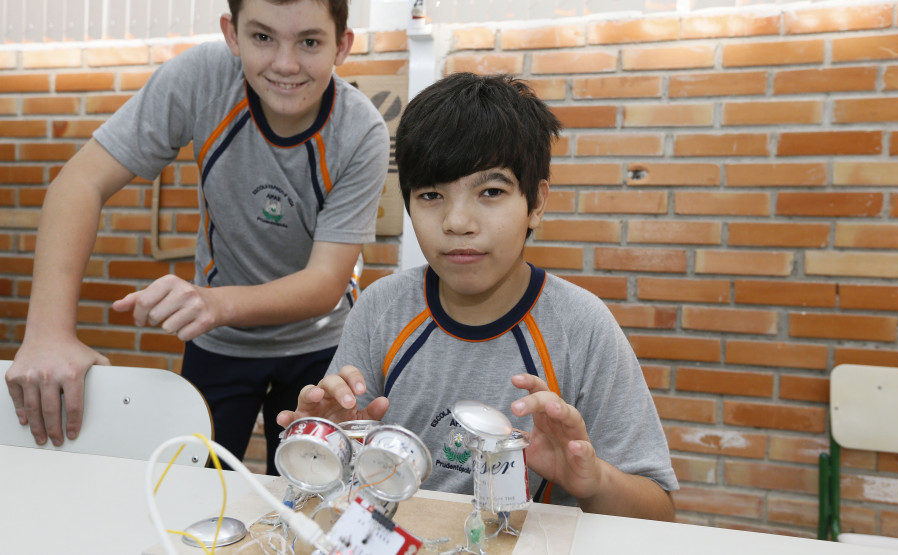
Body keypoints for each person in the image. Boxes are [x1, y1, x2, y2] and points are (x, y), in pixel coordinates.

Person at [5, 0, 389, 475]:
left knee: (307, 492)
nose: (286, 64)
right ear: (232, 34)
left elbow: (325, 282)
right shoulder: (201, 77)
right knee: (190, 486)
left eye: (309, 41)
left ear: (342, 46)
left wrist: (212, 303)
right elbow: (79, 182)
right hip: (220, 342)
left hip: (320, 344)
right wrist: (48, 332)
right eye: (262, 37)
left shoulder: (362, 130)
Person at [277, 72, 678, 518]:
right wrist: (325, 447)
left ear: (536, 203)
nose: (457, 222)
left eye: (490, 191)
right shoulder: (381, 309)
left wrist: (593, 479)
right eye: (432, 195)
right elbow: (334, 491)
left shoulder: (581, 326)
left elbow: (659, 516)